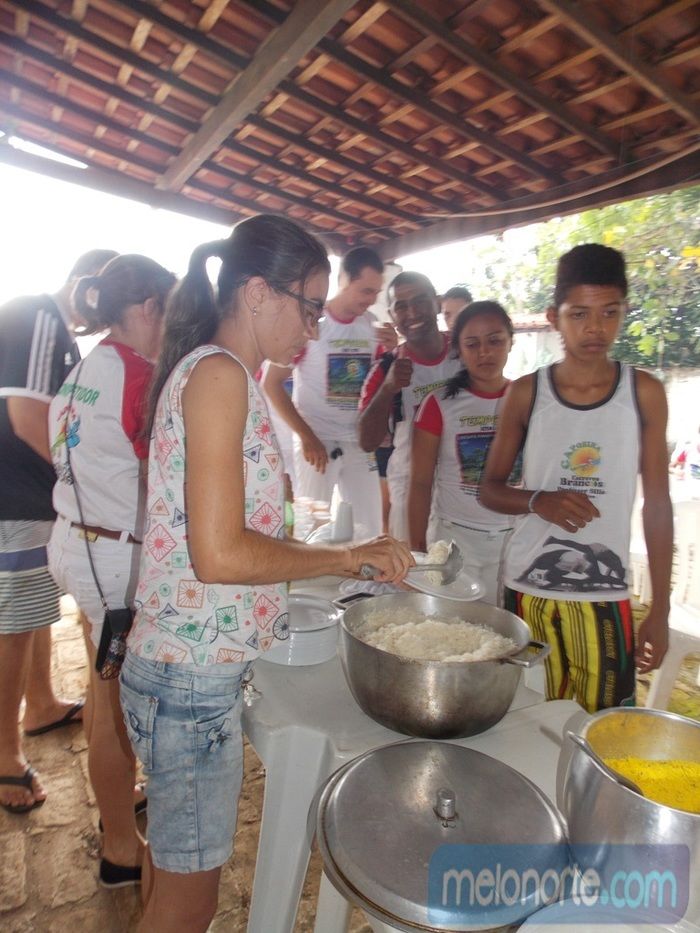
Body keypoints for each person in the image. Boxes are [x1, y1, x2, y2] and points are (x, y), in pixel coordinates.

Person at [120, 215, 412, 932]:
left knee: (171, 870)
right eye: (309, 304)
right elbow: (220, 553)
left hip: (177, 666)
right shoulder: (219, 375)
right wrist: (347, 555)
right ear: (257, 292)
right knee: (189, 902)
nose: (315, 327)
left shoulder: (220, 373)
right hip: (188, 676)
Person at [480, 243, 672, 713]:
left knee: (602, 728)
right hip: (528, 589)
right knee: (524, 721)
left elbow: (658, 505)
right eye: (579, 314)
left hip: (605, 593)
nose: (595, 328)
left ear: (624, 311)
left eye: (609, 312)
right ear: (554, 316)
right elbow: (490, 489)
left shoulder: (643, 392)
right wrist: (538, 500)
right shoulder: (528, 393)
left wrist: (660, 608)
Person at [47, 255, 176, 886]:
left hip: (79, 541)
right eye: (172, 309)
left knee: (106, 697)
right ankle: (121, 848)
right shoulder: (137, 376)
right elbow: (166, 481)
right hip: (114, 560)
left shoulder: (82, 371)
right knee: (114, 705)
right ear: (150, 306)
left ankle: (119, 815)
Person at [0, 248, 116, 814]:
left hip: (28, 497)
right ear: (86, 285)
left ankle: (41, 703)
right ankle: (3, 755)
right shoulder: (42, 315)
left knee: (32, 610)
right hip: (13, 497)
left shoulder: (61, 334)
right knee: (12, 626)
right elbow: (26, 418)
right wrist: (83, 489)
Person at [262, 246, 392, 537]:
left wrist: (393, 352)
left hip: (359, 443)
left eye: (376, 293)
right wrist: (307, 437)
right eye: (365, 290)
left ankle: (362, 584)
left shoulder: (373, 327)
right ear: (344, 279)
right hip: (316, 442)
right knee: (311, 528)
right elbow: (271, 384)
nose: (371, 300)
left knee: (369, 530)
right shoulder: (312, 323)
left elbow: (383, 385)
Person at [408, 302, 517, 604]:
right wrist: (417, 549)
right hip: (455, 542)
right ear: (458, 349)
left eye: (495, 341)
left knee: (506, 631)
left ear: (511, 341)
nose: (485, 352)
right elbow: (419, 482)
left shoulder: (527, 399)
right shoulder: (439, 404)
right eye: (472, 344)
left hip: (515, 540)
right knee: (454, 630)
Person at [358, 272, 461, 543]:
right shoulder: (385, 368)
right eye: (401, 306)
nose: (412, 312)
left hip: (462, 483)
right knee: (413, 573)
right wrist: (388, 389)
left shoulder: (465, 350)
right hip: (408, 487)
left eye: (420, 301)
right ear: (392, 315)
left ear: (437, 303)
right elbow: (366, 441)